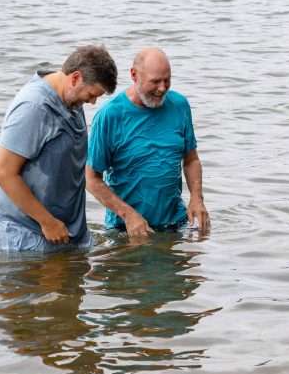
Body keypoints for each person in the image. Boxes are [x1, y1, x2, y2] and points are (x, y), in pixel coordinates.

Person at [0, 45, 117, 251]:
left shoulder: (71, 99)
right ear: (75, 78)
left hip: (65, 225)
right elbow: (3, 173)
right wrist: (47, 222)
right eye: (91, 94)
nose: (92, 102)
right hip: (25, 226)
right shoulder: (33, 107)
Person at [86, 47, 210, 237]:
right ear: (134, 75)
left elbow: (191, 159)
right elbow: (91, 179)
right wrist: (128, 216)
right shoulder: (110, 115)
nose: (162, 88)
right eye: (155, 82)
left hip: (174, 225)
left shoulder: (179, 105)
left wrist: (196, 198)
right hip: (125, 229)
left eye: (167, 80)